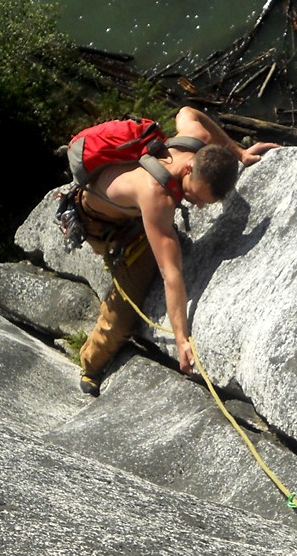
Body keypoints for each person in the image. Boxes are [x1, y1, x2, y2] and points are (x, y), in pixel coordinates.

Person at [69, 106, 278, 396]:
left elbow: (188, 110)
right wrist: (182, 339)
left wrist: (238, 152)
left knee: (170, 240)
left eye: (205, 202)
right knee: (127, 304)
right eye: (195, 196)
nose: (199, 206)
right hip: (103, 224)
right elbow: (171, 274)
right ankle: (91, 364)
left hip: (122, 202)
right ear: (189, 167)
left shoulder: (196, 138)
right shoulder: (157, 198)